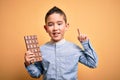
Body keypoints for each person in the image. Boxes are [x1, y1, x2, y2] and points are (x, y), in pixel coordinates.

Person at [24, 6, 98, 80]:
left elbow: (93, 64)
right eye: (50, 25)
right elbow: (36, 74)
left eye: (59, 24)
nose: (55, 28)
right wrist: (28, 64)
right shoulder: (40, 50)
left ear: (66, 26)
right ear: (46, 28)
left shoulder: (75, 49)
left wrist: (85, 44)